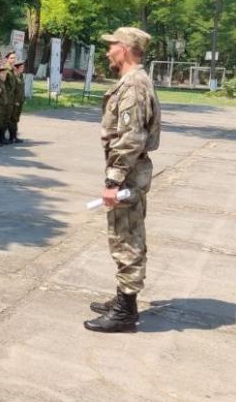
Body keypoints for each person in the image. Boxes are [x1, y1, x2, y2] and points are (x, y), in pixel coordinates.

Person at [85, 27, 161, 333]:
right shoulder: (132, 82)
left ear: (126, 49)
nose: (107, 51)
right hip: (130, 171)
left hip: (128, 173)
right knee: (123, 234)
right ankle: (123, 298)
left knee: (126, 238)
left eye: (112, 45)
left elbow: (131, 138)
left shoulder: (133, 86)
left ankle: (125, 311)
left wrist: (113, 180)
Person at [9, 57, 26, 143]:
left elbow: (21, 89)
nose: (23, 69)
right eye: (21, 67)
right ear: (16, 67)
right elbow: (12, 90)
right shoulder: (13, 76)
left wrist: (23, 99)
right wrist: (15, 101)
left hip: (20, 100)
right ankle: (12, 136)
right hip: (14, 101)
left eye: (23, 67)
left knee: (16, 119)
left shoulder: (21, 76)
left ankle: (14, 136)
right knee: (13, 119)